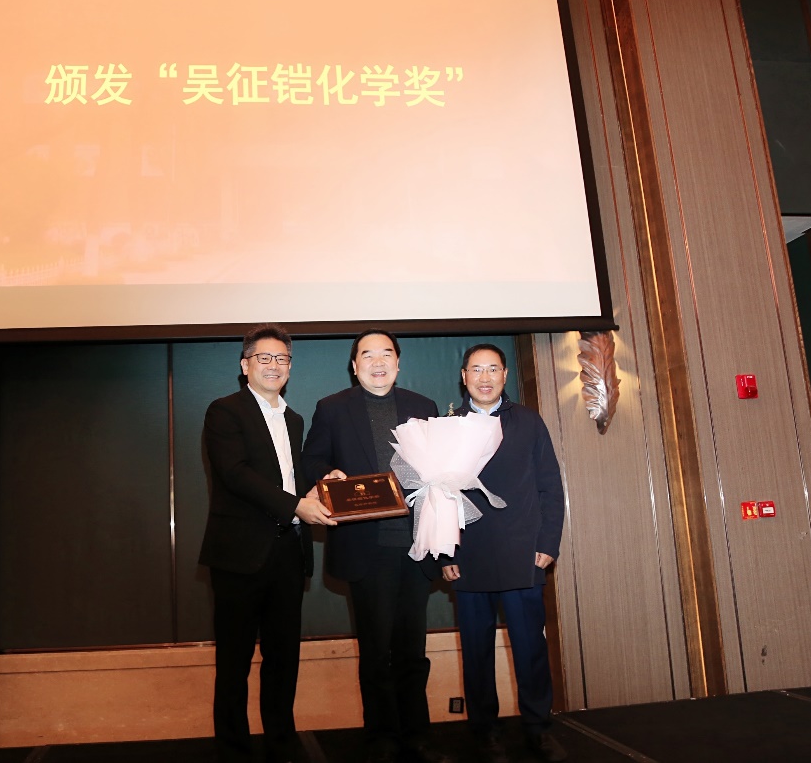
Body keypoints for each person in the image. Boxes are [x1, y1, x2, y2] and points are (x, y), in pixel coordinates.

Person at [302, 329, 449, 763]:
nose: (378, 362)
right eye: (368, 355)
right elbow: (312, 459)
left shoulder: (424, 407)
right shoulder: (332, 408)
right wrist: (326, 476)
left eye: (387, 354)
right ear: (355, 365)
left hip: (416, 545)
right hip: (367, 548)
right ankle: (381, 737)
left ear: (398, 363)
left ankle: (417, 734)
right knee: (376, 651)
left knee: (413, 650)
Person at [199, 324, 337, 763]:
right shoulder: (225, 411)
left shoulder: (294, 420)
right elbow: (235, 474)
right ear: (246, 366)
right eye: (264, 358)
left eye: (282, 359)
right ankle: (233, 750)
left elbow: (288, 480)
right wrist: (296, 505)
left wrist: (324, 486)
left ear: (290, 367)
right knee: (234, 661)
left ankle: (282, 743)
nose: (274, 365)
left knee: (283, 658)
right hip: (239, 555)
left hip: (288, 553)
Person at [442, 344, 567, 763]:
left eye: (492, 369)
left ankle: (538, 729)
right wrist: (444, 554)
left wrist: (547, 544)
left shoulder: (529, 421)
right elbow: (435, 498)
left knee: (531, 649)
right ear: (464, 377)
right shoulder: (445, 427)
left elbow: (550, 487)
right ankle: (485, 733)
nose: (484, 377)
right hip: (469, 556)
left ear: (505, 374)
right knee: (476, 653)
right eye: (476, 370)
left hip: (523, 554)